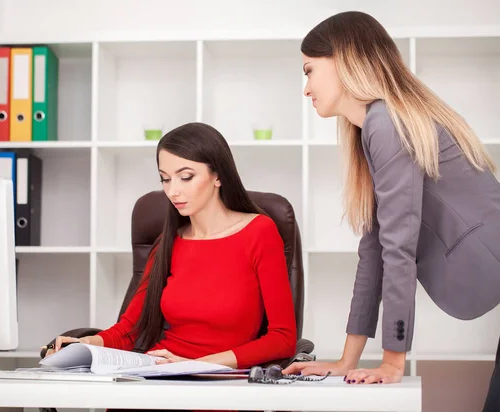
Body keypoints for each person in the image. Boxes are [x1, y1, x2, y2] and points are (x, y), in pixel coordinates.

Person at [282, 10, 500, 411]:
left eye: (310, 71)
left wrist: (392, 361)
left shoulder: (387, 123)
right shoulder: (374, 128)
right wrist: (347, 361)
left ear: (345, 60)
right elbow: (375, 251)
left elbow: (398, 246)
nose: (306, 88)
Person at [46, 122, 297, 373]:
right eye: (165, 179)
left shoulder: (259, 232)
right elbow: (130, 330)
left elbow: (283, 339)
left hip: (219, 381)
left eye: (186, 177)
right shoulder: (168, 244)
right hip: (158, 373)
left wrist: (197, 365)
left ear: (218, 175)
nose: (173, 191)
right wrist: (84, 344)